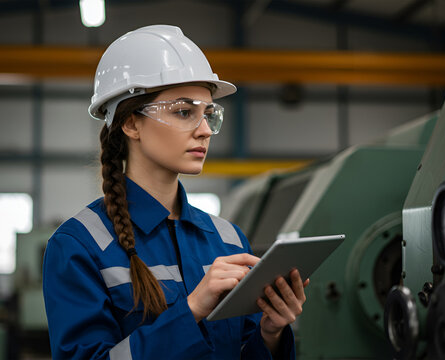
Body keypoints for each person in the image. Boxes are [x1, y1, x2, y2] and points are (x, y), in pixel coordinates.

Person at [42, 25, 308, 359]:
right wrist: (192, 309)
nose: (206, 131)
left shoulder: (227, 239)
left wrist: (271, 332)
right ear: (131, 123)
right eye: (185, 112)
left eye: (209, 114)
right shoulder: (79, 246)